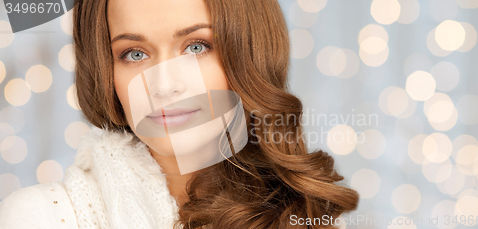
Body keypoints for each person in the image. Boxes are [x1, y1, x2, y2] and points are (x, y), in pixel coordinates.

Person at [0, 0, 359, 228]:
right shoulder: (43, 217)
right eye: (134, 54)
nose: (164, 85)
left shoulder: (301, 218)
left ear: (249, 55)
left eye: (196, 46)